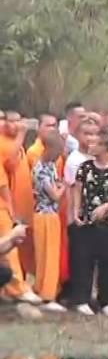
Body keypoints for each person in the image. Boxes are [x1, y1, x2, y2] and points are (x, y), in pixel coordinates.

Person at [71, 130, 108, 316]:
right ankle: (82, 299)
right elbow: (77, 190)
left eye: (95, 143)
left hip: (107, 223)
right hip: (86, 221)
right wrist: (75, 212)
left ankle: (106, 301)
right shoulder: (85, 167)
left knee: (107, 262)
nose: (90, 145)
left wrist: (106, 206)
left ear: (105, 147)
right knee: (83, 261)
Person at [0, 112, 41, 304]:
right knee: (9, 248)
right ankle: (17, 289)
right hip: (5, 207)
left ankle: (15, 285)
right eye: (5, 120)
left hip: (20, 202)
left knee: (20, 245)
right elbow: (8, 165)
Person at [31, 131, 67, 312]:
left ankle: (48, 290)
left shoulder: (52, 165)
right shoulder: (41, 169)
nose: (60, 153)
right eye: (58, 150)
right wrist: (63, 188)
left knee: (52, 254)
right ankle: (46, 294)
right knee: (46, 255)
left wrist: (59, 186)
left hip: (52, 215)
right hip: (44, 214)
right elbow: (55, 195)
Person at [63, 120, 97, 302]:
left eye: (94, 134)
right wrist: (72, 215)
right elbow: (72, 190)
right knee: (80, 259)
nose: (91, 138)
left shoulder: (97, 159)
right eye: (87, 134)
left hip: (95, 216)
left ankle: (90, 294)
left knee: (92, 258)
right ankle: (78, 298)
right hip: (78, 216)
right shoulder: (74, 160)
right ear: (77, 136)